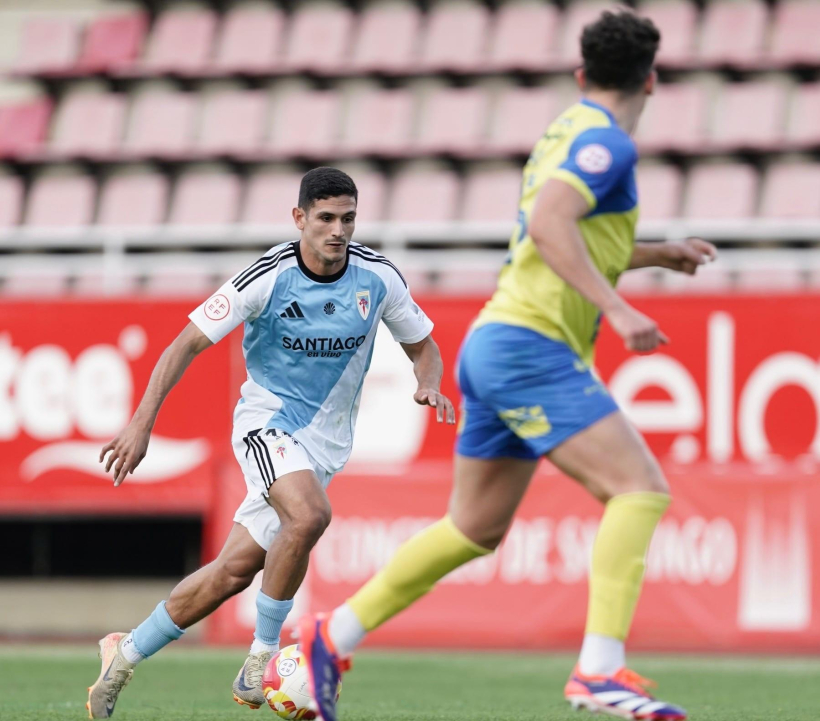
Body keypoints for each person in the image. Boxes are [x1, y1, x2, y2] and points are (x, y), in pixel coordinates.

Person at [299, 12, 717, 721]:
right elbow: (553, 225)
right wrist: (617, 307)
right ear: (652, 79)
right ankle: (599, 670)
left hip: (495, 341)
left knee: (474, 526)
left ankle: (327, 640)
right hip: (530, 347)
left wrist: (654, 252)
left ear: (582, 75)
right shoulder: (607, 142)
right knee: (638, 489)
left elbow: (545, 230)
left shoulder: (563, 130)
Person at [85, 167, 455, 719]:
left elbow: (423, 345)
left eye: (347, 219)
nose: (337, 231)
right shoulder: (267, 275)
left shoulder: (377, 278)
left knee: (233, 571)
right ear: (299, 218)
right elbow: (185, 343)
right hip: (267, 421)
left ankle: (124, 652)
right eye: (325, 218)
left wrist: (428, 383)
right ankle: (260, 663)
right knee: (307, 517)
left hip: (325, 444)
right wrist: (141, 424)